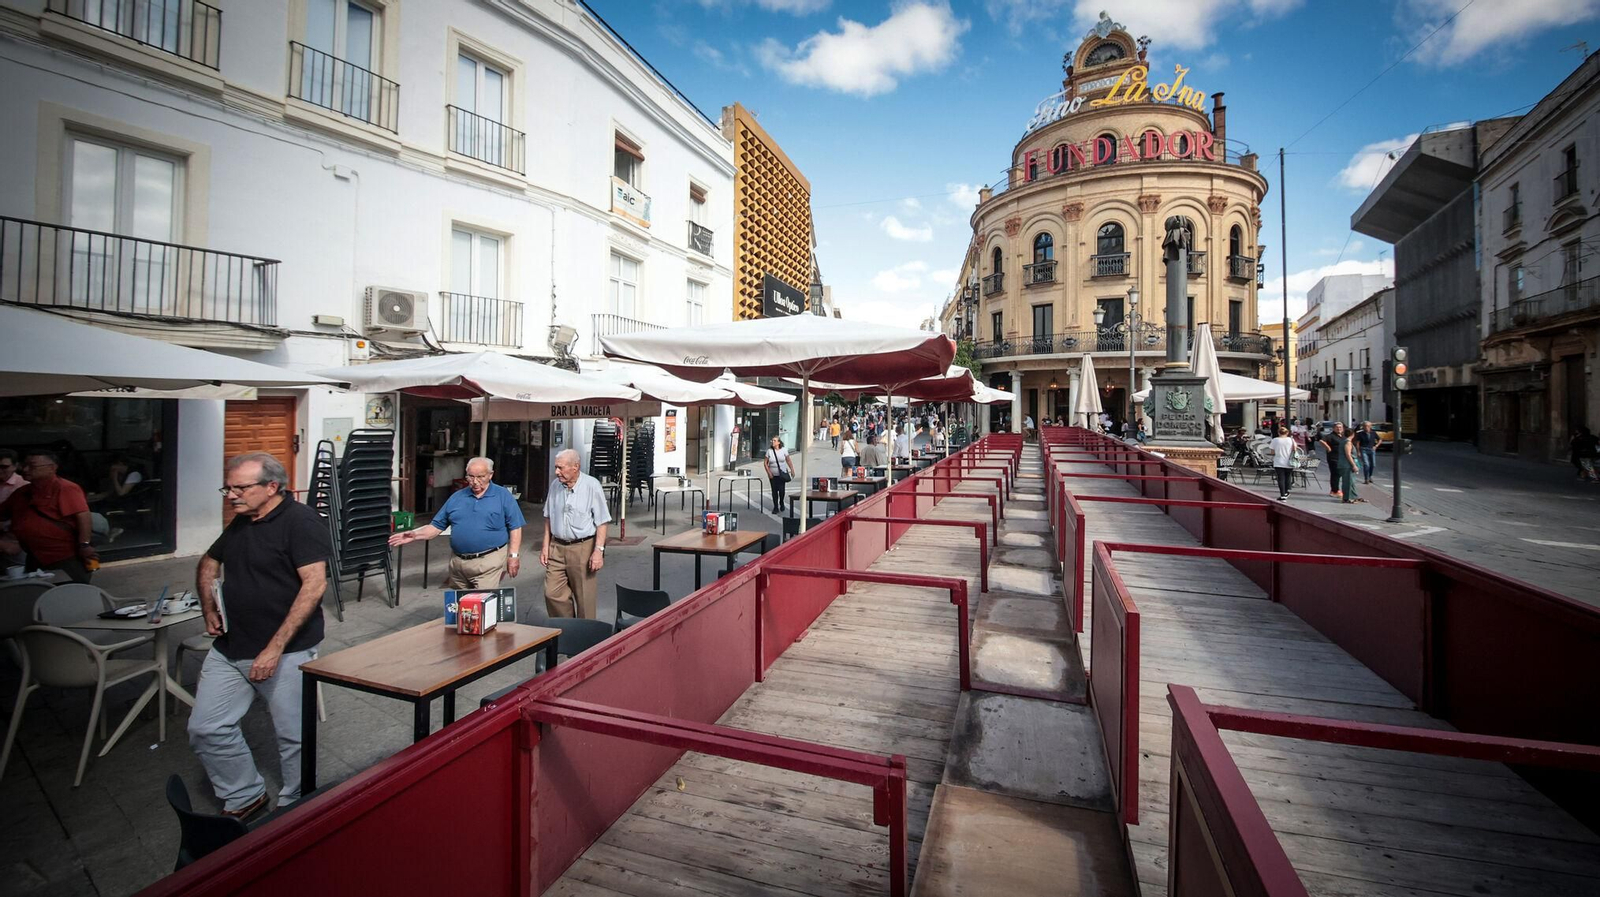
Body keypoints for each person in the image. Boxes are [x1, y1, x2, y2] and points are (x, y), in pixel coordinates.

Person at [189, 452, 331, 820]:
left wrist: (275, 647)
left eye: (240, 487)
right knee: (207, 727)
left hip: (285, 651)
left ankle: (296, 806)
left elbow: (314, 585)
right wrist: (208, 606)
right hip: (232, 645)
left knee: (294, 737)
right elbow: (208, 561)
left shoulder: (300, 521)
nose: (231, 495)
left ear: (272, 487)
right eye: (228, 487)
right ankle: (244, 795)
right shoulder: (242, 521)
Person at [388, 457, 524, 589]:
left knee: (481, 605)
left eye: (480, 477)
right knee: (459, 607)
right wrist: (414, 535)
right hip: (458, 563)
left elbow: (515, 526)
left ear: (490, 475)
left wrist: (513, 556)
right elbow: (435, 527)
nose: (475, 482)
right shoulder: (457, 497)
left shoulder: (502, 496)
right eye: (470, 477)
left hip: (489, 561)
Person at [0, 450, 97, 582]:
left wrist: (84, 545)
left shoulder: (65, 488)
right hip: (34, 556)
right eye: (25, 465)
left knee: (71, 594)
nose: (26, 469)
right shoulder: (22, 493)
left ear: (52, 468)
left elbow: (83, 516)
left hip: (64, 557)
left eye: (32, 466)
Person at [538, 449, 610, 619]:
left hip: (582, 547)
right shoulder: (555, 485)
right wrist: (545, 546)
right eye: (556, 467)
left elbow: (602, 521)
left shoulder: (592, 486)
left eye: (560, 468)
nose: (556, 472)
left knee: (585, 598)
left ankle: (586, 640)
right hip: (557, 546)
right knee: (552, 593)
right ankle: (567, 631)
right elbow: (548, 516)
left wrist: (598, 551)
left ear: (575, 467)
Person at [1320, 422, 1363, 503]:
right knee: (1336, 475)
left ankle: (1349, 495)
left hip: (1341, 459)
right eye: (1337, 427)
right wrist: (1328, 448)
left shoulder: (1343, 438)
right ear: (1333, 428)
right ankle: (1335, 491)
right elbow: (1322, 441)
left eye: (1340, 427)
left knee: (1344, 477)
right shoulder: (1331, 436)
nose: (1339, 429)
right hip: (1334, 458)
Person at [763, 436, 792, 514]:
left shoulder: (784, 450)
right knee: (774, 491)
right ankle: (775, 506)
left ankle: (781, 502)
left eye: (775, 440)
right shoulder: (769, 451)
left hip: (782, 474)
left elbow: (788, 460)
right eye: (772, 440)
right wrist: (769, 472)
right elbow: (765, 463)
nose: (773, 442)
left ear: (779, 442)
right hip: (773, 474)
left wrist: (792, 470)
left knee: (781, 490)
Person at [1270, 425, 1297, 502]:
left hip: (1278, 461)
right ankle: (1287, 491)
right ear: (1287, 433)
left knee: (1280, 478)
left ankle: (1282, 494)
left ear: (1278, 432)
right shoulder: (1291, 440)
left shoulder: (1275, 440)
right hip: (1289, 461)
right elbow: (1294, 449)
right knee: (1288, 477)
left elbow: (1272, 452)